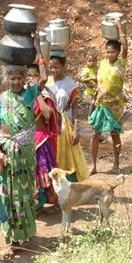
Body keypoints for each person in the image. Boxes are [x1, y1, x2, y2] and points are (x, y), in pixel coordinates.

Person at [0, 42, 47, 258]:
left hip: (24, 153)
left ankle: (25, 233)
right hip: (6, 153)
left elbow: (43, 79)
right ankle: (13, 237)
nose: (15, 81)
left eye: (19, 78)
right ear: (7, 79)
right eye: (11, 78)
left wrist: (38, 47)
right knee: (7, 195)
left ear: (25, 79)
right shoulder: (0, 100)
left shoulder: (30, 94)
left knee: (24, 193)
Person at [89, 17, 128, 174]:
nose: (109, 54)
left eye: (112, 52)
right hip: (101, 103)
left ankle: (116, 164)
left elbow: (125, 46)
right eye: (107, 52)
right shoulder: (103, 63)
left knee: (114, 134)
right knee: (94, 133)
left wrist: (119, 27)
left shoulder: (121, 63)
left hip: (115, 105)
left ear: (118, 53)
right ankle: (93, 165)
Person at [46, 53, 88, 182]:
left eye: (56, 67)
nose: (53, 70)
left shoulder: (70, 84)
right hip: (48, 123)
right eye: (51, 67)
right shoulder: (46, 82)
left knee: (68, 154)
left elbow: (75, 108)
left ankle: (69, 183)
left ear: (63, 66)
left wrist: (76, 129)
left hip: (64, 124)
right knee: (50, 153)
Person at [26, 64, 59, 213]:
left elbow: (47, 115)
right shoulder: (22, 96)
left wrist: (37, 93)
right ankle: (34, 202)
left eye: (34, 76)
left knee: (43, 172)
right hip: (26, 140)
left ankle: (42, 202)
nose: (31, 79)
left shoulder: (44, 96)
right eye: (28, 76)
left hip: (40, 139)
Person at [79, 52, 98, 117]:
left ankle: (94, 116)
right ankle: (90, 116)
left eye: (93, 61)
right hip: (90, 90)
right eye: (89, 61)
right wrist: (91, 78)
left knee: (95, 104)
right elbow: (82, 79)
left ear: (96, 61)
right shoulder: (86, 70)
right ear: (86, 61)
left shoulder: (98, 69)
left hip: (98, 89)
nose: (91, 62)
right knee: (93, 103)